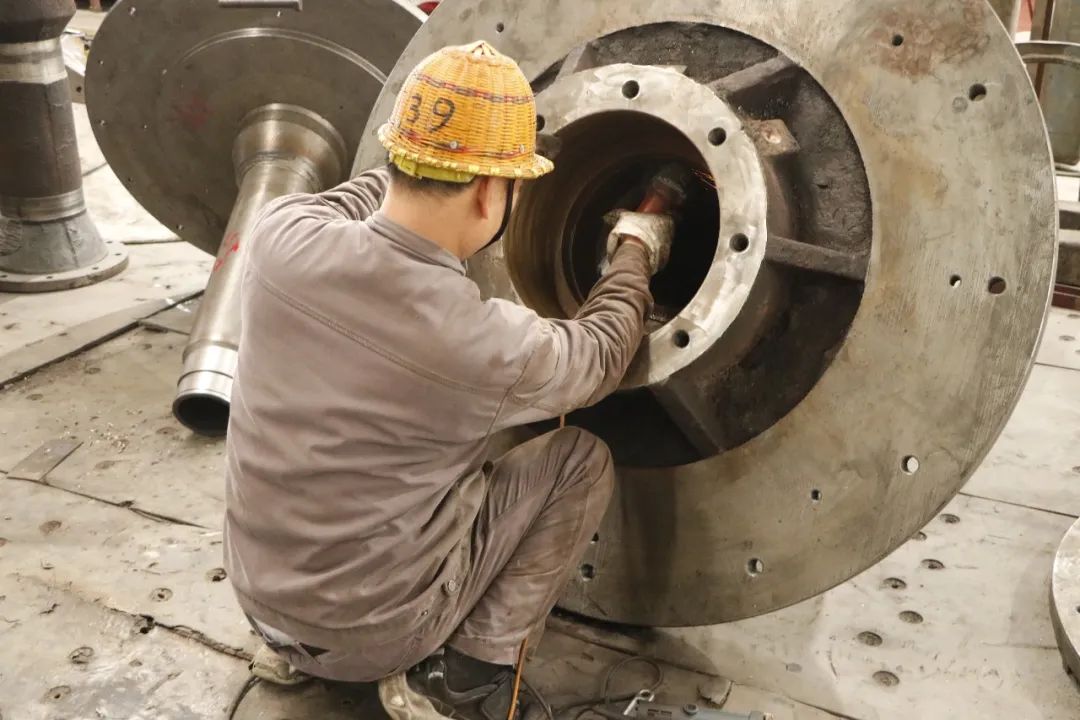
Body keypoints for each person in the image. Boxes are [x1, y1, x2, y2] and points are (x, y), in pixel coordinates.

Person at [223, 41, 674, 719]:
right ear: (492, 193)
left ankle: (294, 649)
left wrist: (449, 142)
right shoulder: (481, 344)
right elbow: (603, 352)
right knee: (577, 461)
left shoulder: (280, 235)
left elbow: (368, 194)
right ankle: (462, 675)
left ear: (397, 158)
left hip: (259, 601)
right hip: (375, 636)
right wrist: (635, 247)